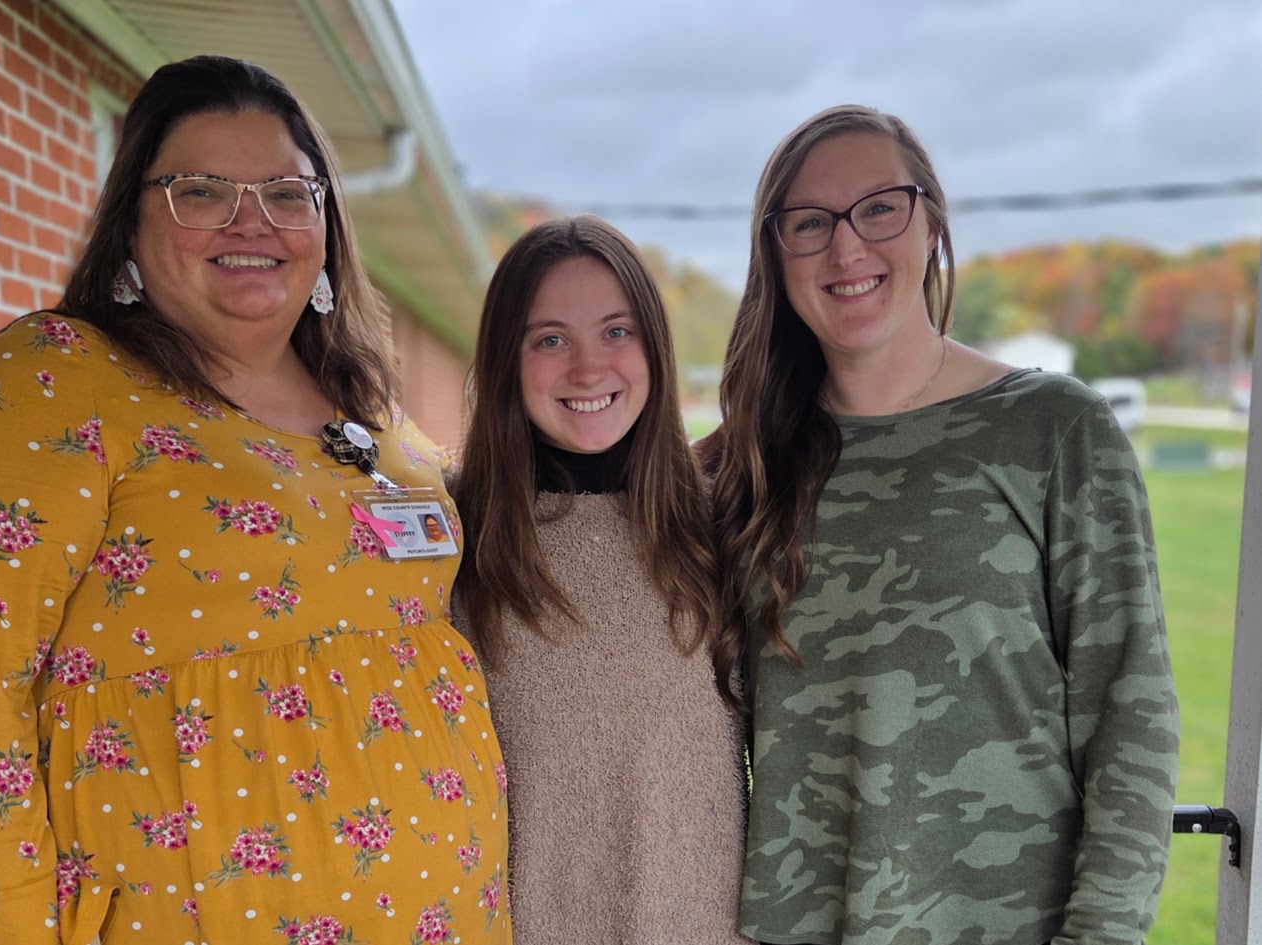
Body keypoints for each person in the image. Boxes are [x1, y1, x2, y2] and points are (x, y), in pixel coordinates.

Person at [0, 56, 510, 945]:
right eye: (201, 191)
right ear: (132, 219)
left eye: (289, 192)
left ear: (326, 223)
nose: (253, 222)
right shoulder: (55, 380)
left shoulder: (373, 409)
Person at [703, 104, 1181, 945]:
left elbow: (1129, 714)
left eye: (880, 207)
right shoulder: (734, 470)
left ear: (931, 223)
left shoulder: (1054, 430)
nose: (848, 248)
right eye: (810, 223)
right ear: (775, 256)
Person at [452, 216, 749, 944]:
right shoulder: (455, 537)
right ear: (505, 360)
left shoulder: (721, 526)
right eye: (550, 339)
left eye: (617, 332)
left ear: (656, 347)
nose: (588, 368)